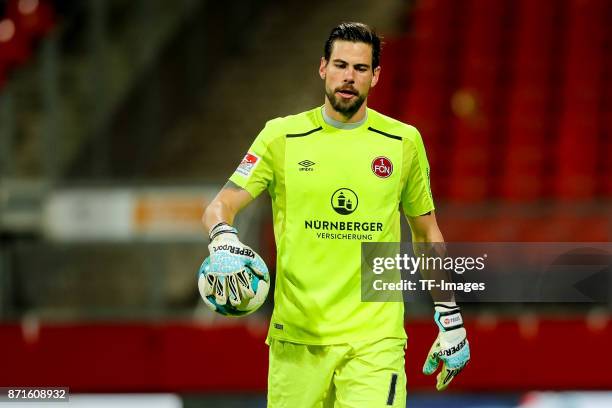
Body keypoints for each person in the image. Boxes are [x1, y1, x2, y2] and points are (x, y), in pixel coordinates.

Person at [202, 22, 470, 407]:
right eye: (341, 65)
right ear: (323, 67)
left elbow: (427, 234)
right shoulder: (281, 137)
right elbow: (219, 206)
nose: (349, 77)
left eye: (360, 69)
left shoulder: (403, 142)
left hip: (375, 343)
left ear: (375, 76)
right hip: (297, 339)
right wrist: (223, 237)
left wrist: (449, 316)